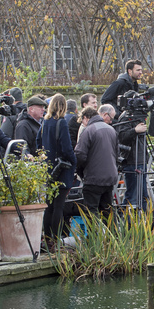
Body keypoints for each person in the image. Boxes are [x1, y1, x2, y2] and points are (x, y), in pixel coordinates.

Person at [37, 94, 77, 244]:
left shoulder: (45, 122)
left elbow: (37, 141)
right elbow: (67, 148)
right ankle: (56, 238)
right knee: (59, 205)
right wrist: (74, 161)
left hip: (48, 168)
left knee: (49, 205)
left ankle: (47, 237)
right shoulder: (62, 123)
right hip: (61, 168)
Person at [75, 104, 118, 215]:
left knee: (91, 211)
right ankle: (109, 232)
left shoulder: (88, 130)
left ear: (86, 118)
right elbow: (116, 153)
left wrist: (79, 171)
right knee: (107, 210)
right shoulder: (111, 130)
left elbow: (80, 154)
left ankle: (94, 232)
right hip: (110, 177)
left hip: (93, 178)